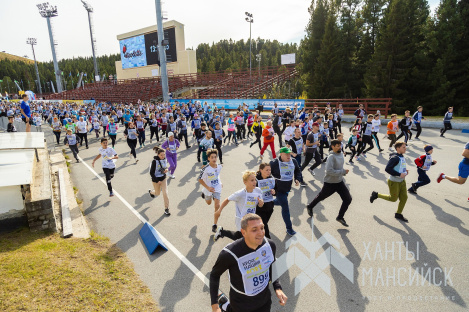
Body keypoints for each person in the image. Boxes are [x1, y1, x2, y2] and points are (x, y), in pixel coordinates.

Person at [209, 213, 287, 312]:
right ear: (243, 232)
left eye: (262, 228)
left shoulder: (269, 245)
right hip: (241, 305)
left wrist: (278, 287)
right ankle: (223, 304)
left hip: (264, 301)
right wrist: (215, 307)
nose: (261, 233)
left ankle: (224, 303)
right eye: (254, 229)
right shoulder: (229, 254)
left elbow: (272, 265)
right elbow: (214, 275)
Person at [306, 140, 352, 226]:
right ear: (332, 146)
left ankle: (340, 217)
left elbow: (338, 167)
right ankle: (310, 206)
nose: (339, 147)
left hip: (339, 182)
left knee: (348, 199)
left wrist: (342, 173)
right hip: (330, 183)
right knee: (321, 197)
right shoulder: (331, 157)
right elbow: (329, 171)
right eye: (337, 146)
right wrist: (342, 172)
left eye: (340, 145)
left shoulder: (341, 153)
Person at [213, 171, 263, 241]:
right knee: (242, 237)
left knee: (244, 237)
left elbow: (260, 204)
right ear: (245, 182)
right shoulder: (240, 194)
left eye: (255, 180)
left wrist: (261, 203)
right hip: (241, 219)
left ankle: (221, 232)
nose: (254, 182)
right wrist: (219, 210)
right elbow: (227, 199)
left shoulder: (258, 191)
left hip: (251, 218)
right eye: (252, 180)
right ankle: (222, 232)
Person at [370, 141, 409, 222]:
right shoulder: (395, 158)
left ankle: (398, 213)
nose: (405, 148)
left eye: (405, 147)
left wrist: (405, 171)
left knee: (404, 197)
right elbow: (387, 169)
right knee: (393, 198)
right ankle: (376, 195)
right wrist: (399, 174)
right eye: (403, 147)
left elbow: (399, 166)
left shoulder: (401, 156)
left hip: (402, 181)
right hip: (394, 181)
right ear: (398, 148)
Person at [270, 147, 303, 236]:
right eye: (286, 154)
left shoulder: (294, 161)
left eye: (290, 154)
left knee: (278, 202)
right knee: (285, 207)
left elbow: (297, 170)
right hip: (278, 189)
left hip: (287, 188)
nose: (289, 156)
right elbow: (265, 172)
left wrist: (297, 179)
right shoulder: (274, 163)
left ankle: (268, 202)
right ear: (281, 154)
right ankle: (289, 228)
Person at [198, 149, 223, 234]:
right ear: (208, 158)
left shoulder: (219, 166)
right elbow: (200, 179)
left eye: (215, 157)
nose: (214, 159)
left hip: (217, 188)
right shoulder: (205, 169)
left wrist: (220, 182)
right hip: (208, 188)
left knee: (217, 205)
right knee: (208, 203)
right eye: (212, 157)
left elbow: (217, 175)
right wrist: (208, 188)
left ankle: (214, 224)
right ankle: (204, 194)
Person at [254, 163, 276, 238]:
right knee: (265, 227)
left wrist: (274, 191)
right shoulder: (256, 180)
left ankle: (257, 235)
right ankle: (267, 242)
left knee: (263, 224)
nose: (269, 171)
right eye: (266, 170)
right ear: (261, 170)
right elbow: (251, 191)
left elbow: (276, 190)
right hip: (260, 208)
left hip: (269, 207)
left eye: (269, 170)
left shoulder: (271, 179)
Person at [148, 146, 171, 216]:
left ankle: (166, 209)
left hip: (163, 178)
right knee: (157, 193)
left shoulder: (164, 159)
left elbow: (165, 166)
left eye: (164, 155)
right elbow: (151, 173)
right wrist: (157, 181)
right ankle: (151, 192)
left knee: (165, 193)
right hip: (156, 180)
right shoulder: (154, 162)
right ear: (158, 155)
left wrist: (166, 169)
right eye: (161, 155)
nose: (163, 156)